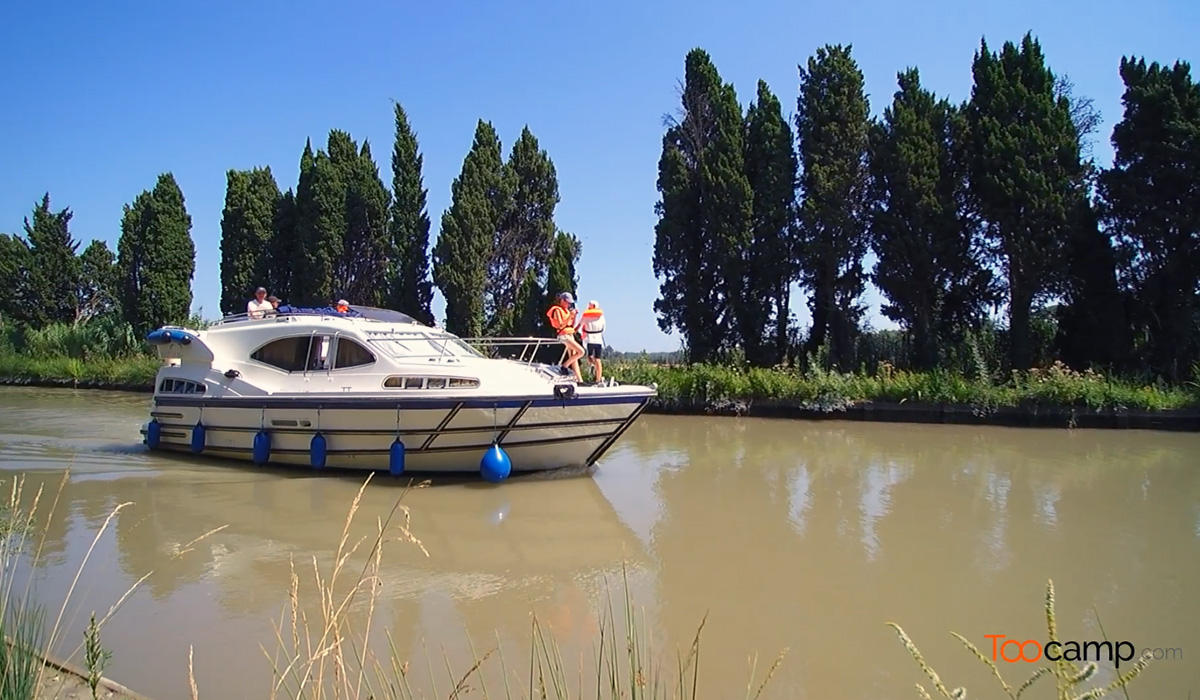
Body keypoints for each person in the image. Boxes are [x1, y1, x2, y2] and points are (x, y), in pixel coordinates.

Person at [546, 292, 584, 382]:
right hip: (563, 335)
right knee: (581, 351)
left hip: (570, 334)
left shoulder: (567, 311)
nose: (568, 304)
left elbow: (571, 325)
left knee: (574, 357)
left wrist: (574, 316)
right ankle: (564, 366)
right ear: (562, 300)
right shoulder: (557, 310)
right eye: (567, 302)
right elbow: (561, 325)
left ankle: (580, 380)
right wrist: (570, 315)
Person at [580, 300, 606, 384]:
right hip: (599, 340)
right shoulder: (601, 317)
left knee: (590, 356)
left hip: (589, 339)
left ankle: (593, 368)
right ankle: (598, 378)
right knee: (598, 359)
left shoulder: (586, 316)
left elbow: (580, 325)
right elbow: (604, 328)